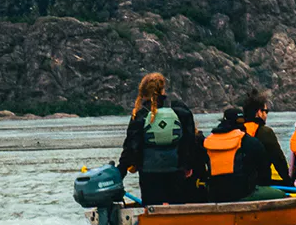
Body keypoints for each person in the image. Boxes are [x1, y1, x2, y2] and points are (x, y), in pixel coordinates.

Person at [118, 73, 198, 205]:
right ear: (163, 90)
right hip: (175, 169)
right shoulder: (180, 110)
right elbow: (189, 141)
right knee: (176, 208)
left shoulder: (141, 114)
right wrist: (187, 165)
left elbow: (131, 147)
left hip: (149, 172)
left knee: (152, 207)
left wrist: (121, 171)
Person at [202, 108, 287, 202]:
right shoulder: (250, 142)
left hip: (215, 195)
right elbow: (264, 174)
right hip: (243, 194)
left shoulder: (207, 142)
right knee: (280, 194)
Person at [242, 89, 289, 184]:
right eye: (266, 111)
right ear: (259, 112)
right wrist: (289, 181)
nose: (266, 115)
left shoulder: (236, 131)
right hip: (257, 185)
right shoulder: (265, 132)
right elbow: (279, 161)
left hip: (237, 183)